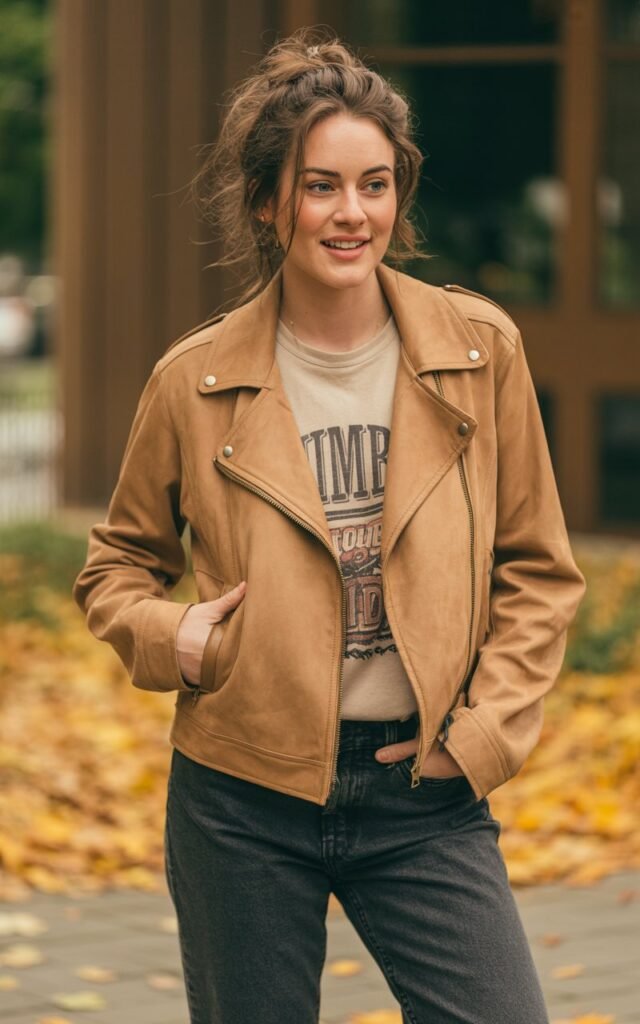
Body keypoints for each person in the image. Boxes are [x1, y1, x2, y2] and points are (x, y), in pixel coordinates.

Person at [73, 29, 586, 1024]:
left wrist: (480, 736)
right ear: (269, 202)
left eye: (375, 184)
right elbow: (117, 565)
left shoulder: (479, 351)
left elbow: (538, 568)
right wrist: (163, 635)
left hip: (426, 791)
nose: (352, 213)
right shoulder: (196, 378)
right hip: (240, 795)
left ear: (399, 192)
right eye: (320, 186)